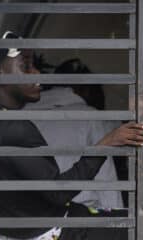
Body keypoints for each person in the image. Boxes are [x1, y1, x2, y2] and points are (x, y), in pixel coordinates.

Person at [0, 31, 143, 240]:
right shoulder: (12, 128)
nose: (37, 74)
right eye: (26, 66)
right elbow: (58, 192)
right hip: (56, 231)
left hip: (44, 227)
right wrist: (107, 144)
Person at [24, 59, 123, 210]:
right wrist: (119, 222)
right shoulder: (89, 117)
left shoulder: (23, 114)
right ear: (84, 89)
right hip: (76, 220)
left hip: (30, 216)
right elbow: (105, 181)